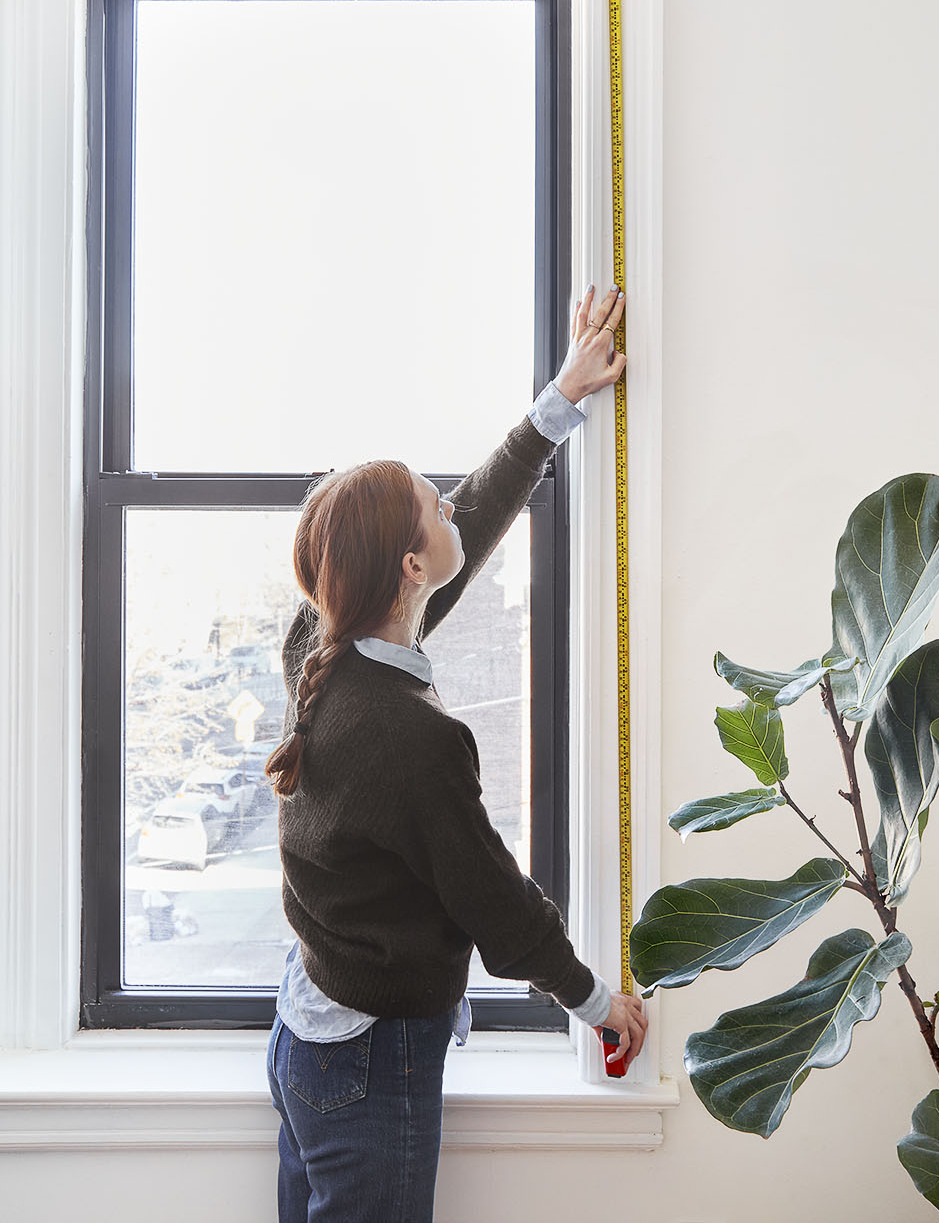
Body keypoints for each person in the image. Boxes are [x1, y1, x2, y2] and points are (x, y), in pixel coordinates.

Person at [264, 282, 647, 1223]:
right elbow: (496, 905)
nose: (450, 512)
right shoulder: (409, 738)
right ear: (407, 568)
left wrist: (556, 404)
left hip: (306, 1035)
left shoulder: (316, 646)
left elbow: (465, 530)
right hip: (367, 1062)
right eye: (431, 508)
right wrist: (598, 1002)